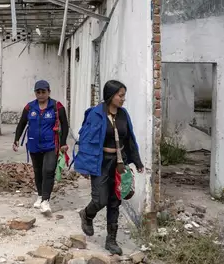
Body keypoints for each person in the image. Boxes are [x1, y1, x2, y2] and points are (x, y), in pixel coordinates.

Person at [74, 80, 144, 256]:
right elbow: (85, 140)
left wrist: (137, 161)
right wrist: (84, 165)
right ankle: (87, 214)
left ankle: (111, 240)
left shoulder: (123, 114)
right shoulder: (96, 114)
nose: (123, 99)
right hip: (101, 161)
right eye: (120, 95)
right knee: (100, 199)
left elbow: (130, 139)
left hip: (119, 163)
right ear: (111, 95)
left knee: (115, 201)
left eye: (123, 96)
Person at [13, 79, 69, 215]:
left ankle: (45, 201)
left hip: (51, 145)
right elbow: (22, 123)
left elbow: (65, 125)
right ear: (35, 93)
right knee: (38, 171)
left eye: (43, 92)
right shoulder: (29, 107)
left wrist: (63, 143)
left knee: (48, 170)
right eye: (38, 92)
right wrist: (16, 139)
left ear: (49, 92)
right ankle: (40, 196)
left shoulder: (57, 106)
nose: (41, 95)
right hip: (34, 144)